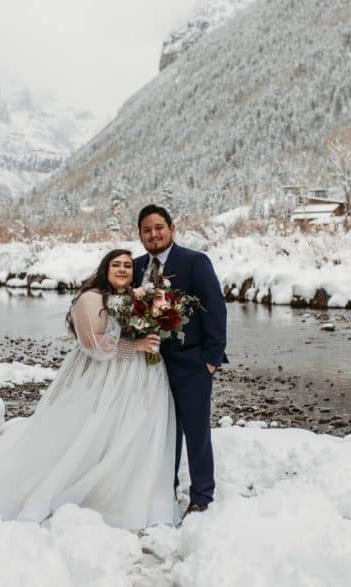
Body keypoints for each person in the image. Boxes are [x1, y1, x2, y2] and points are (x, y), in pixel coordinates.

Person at [0, 249, 180, 529]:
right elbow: (94, 345)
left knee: (131, 434)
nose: (123, 269)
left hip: (138, 378)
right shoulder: (91, 298)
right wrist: (136, 345)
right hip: (101, 378)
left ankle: (131, 494)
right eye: (115, 264)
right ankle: (79, 493)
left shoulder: (135, 297)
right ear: (104, 268)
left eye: (127, 265)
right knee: (89, 434)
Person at [133, 205, 227, 514]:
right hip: (150, 368)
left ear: (172, 229)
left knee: (196, 432)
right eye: (147, 230)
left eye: (159, 227)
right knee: (161, 432)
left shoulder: (194, 262)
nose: (154, 234)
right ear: (140, 235)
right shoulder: (134, 268)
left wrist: (210, 360)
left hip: (192, 365)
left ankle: (201, 497)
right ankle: (164, 492)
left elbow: (216, 309)